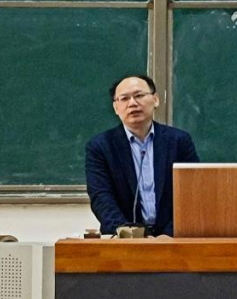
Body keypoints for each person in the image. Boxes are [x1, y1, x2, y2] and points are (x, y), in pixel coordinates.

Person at [85, 74, 200, 237]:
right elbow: (101, 197)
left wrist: (169, 235)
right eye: (124, 98)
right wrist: (128, 235)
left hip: (173, 238)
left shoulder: (179, 141)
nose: (132, 103)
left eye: (139, 95)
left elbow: (192, 193)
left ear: (155, 100)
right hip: (124, 240)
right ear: (116, 108)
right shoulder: (100, 147)